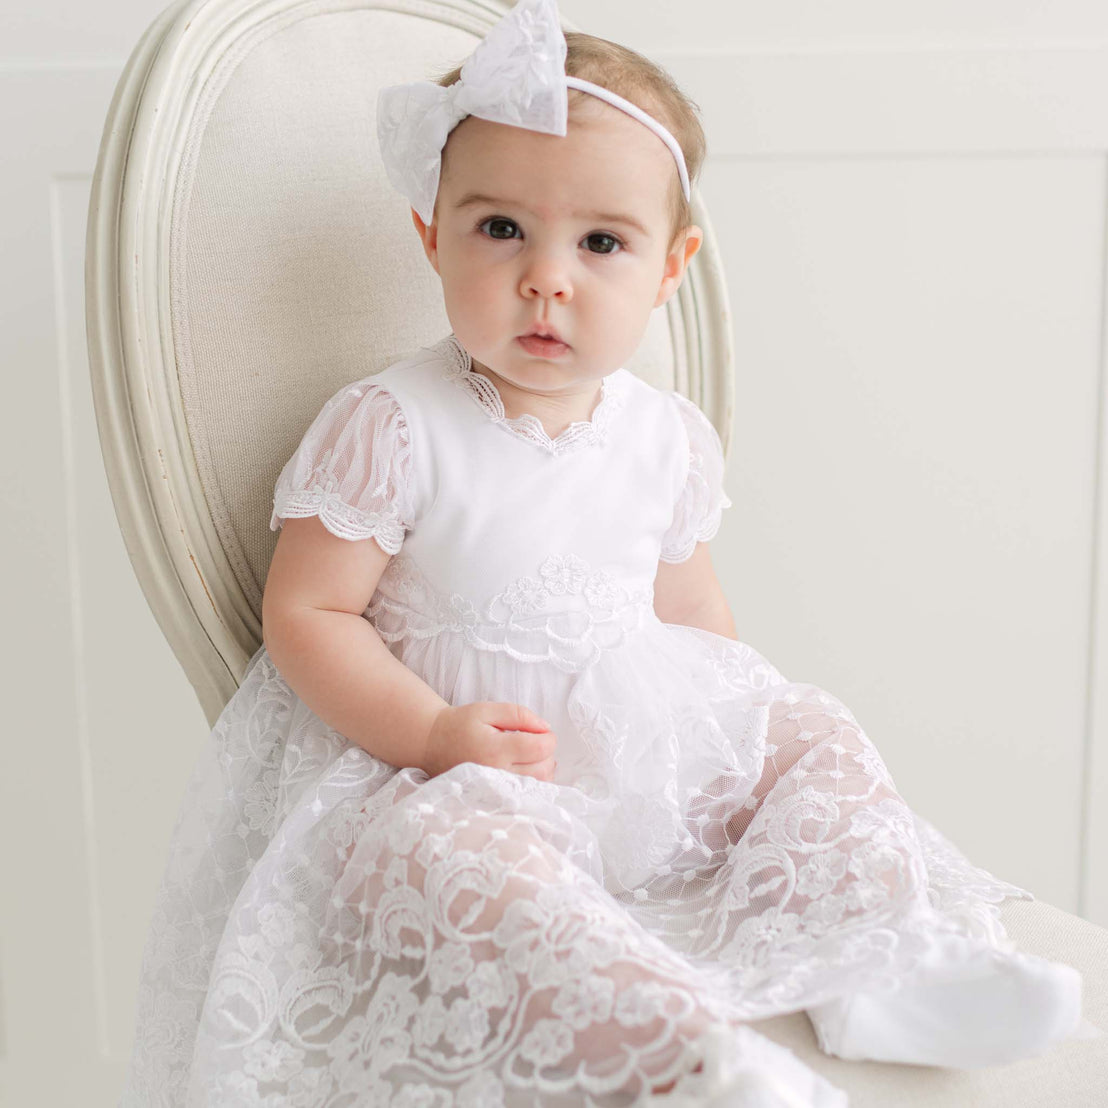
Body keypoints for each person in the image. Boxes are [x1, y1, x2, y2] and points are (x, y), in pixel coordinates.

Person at [119, 1, 1095, 1104]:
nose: (548, 277)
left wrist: (723, 750)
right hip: (454, 773)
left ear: (667, 266)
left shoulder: (662, 435)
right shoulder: (393, 425)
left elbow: (695, 618)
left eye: (599, 242)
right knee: (462, 868)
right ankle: (675, 1053)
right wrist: (434, 734)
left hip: (636, 764)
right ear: (430, 231)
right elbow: (307, 617)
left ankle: (875, 959)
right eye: (500, 230)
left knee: (810, 730)